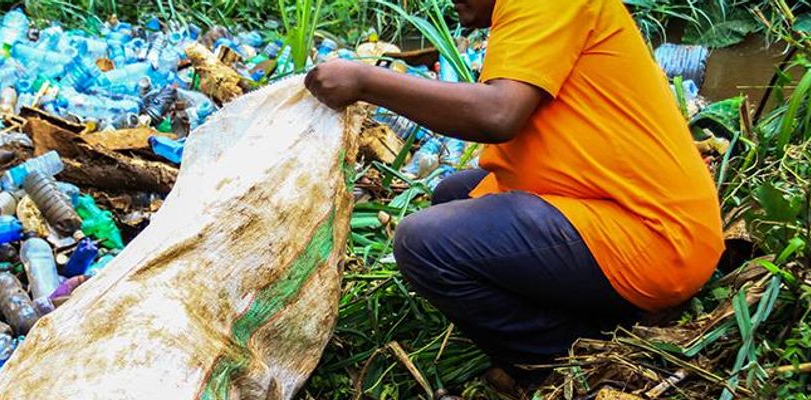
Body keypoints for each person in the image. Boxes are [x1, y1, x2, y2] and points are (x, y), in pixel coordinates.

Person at [305, 0, 724, 388]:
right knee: (453, 194)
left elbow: (497, 113)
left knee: (423, 242)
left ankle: (563, 365)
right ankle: (602, 315)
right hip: (616, 208)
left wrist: (366, 81)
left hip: (656, 236)